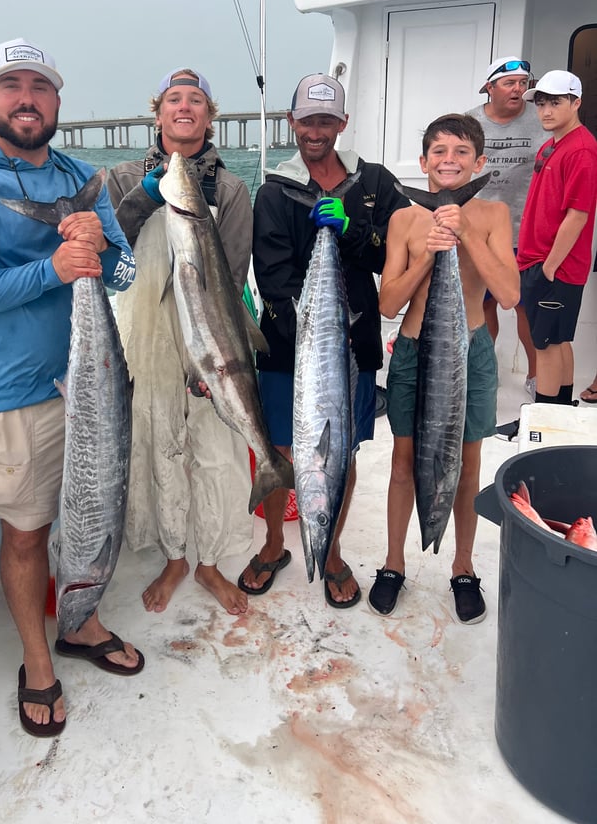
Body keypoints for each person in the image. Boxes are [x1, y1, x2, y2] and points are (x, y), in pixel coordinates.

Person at [0, 38, 142, 738]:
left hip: (94, 383)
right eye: (10, 85)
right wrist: (56, 268)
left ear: (57, 100)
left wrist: (102, 250)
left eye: (39, 86)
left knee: (96, 515)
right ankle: (37, 660)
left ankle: (82, 621)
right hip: (12, 395)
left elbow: (126, 275)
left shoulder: (83, 177)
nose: (26, 98)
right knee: (26, 535)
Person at [237, 74, 410, 607]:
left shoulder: (375, 184)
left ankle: (330, 552)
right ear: (293, 122)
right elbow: (271, 275)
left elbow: (390, 255)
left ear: (342, 124)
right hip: (292, 348)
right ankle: (272, 545)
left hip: (352, 347)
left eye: (326, 120)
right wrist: (314, 335)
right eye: (307, 120)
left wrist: (352, 230)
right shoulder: (272, 190)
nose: (316, 131)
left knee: (341, 451)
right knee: (282, 451)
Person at [106, 69, 254, 616]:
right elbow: (109, 251)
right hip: (143, 332)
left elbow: (233, 279)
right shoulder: (123, 178)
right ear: (159, 114)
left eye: (196, 100)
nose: (184, 106)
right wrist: (145, 199)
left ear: (209, 117)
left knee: (214, 453)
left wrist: (211, 356)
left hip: (206, 336)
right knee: (159, 443)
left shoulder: (231, 190)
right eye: (174, 99)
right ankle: (174, 556)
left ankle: (209, 561)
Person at [369, 113, 519, 623]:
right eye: (439, 152)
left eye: (460, 153)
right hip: (414, 352)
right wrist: (430, 253)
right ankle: (393, 563)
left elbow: (509, 293)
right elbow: (388, 303)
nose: (449, 161)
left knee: (467, 465)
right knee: (403, 462)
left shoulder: (495, 214)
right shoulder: (403, 220)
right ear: (423, 162)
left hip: (470, 353)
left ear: (479, 162)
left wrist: (464, 232)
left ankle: (462, 566)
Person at [497, 71, 597, 436]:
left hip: (555, 266)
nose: (545, 110)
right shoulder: (553, 144)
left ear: (576, 103)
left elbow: (578, 214)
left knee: (546, 345)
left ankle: (540, 420)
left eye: (555, 102)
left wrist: (549, 267)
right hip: (538, 260)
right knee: (557, 340)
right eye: (541, 103)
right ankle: (561, 412)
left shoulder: (582, 150)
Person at [468, 56, 549, 399]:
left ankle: (535, 375)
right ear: (489, 88)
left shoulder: (540, 120)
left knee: (525, 307)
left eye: (523, 83)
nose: (518, 89)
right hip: (482, 232)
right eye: (509, 83)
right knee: (483, 305)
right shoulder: (469, 121)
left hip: (526, 231)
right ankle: (486, 370)